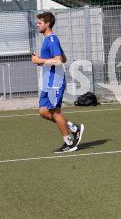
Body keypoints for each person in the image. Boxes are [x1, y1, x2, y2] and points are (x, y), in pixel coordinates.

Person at [31, 12, 84, 153]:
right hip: (48, 81)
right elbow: (63, 58)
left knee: (55, 112)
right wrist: (41, 60)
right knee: (43, 112)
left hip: (55, 81)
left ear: (47, 24)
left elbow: (59, 61)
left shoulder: (52, 39)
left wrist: (40, 60)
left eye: (40, 22)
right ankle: (73, 128)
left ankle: (69, 142)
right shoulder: (49, 39)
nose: (37, 24)